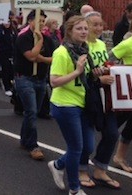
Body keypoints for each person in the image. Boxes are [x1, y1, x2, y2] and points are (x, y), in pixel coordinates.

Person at [47, 16, 94, 195]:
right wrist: (77, 71)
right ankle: (74, 188)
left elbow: (86, 77)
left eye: (85, 28)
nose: (83, 32)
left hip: (83, 104)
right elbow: (54, 81)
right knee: (76, 148)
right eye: (79, 29)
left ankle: (58, 165)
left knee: (87, 147)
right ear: (69, 31)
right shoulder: (61, 52)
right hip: (65, 105)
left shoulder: (84, 50)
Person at [80, 12, 120, 189]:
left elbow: (104, 66)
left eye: (100, 25)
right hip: (88, 97)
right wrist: (98, 79)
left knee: (112, 133)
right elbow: (81, 73)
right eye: (94, 25)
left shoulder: (102, 44)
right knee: (86, 140)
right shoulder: (82, 46)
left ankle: (100, 169)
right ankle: (80, 170)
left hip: (105, 96)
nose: (98, 28)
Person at [14, 10, 54, 160]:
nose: (41, 24)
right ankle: (33, 145)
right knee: (31, 111)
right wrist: (39, 42)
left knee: (33, 112)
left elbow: (54, 58)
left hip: (40, 79)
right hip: (24, 79)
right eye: (38, 21)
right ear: (30, 21)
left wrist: (41, 58)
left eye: (43, 21)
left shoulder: (49, 39)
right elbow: (31, 56)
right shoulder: (23, 38)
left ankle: (25, 140)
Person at [109, 14, 132, 174]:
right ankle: (99, 156)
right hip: (129, 91)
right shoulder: (128, 44)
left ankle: (119, 157)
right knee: (115, 125)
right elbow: (109, 58)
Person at [0, 16, 16, 96]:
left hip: (11, 52)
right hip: (2, 53)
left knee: (11, 70)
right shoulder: (0, 30)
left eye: (9, 22)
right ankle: (7, 87)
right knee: (5, 70)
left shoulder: (12, 30)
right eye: (5, 22)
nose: (7, 24)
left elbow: (15, 39)